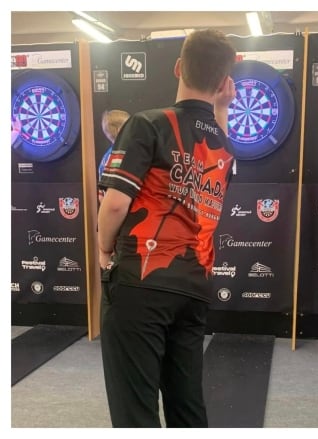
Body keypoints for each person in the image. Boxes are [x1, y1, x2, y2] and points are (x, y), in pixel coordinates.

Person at [97, 29, 237, 427]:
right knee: (187, 407)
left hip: (142, 278)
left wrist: (104, 250)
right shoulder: (227, 148)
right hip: (194, 285)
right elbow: (212, 146)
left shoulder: (148, 124)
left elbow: (116, 203)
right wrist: (222, 106)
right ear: (223, 83)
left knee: (135, 411)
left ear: (178, 67)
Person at [97, 109, 130, 203]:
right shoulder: (119, 157)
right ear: (121, 130)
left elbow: (101, 196)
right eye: (130, 127)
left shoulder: (107, 156)